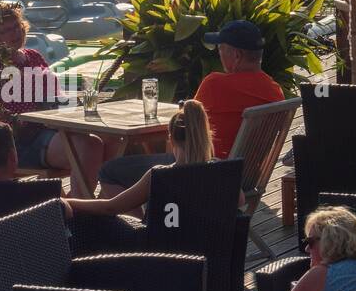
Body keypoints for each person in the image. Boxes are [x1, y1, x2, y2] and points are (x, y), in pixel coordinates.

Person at [98, 19, 284, 196]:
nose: (218, 54)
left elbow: (184, 125)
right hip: (245, 176)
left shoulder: (216, 83)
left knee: (110, 171)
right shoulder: (276, 92)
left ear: (236, 55)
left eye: (221, 48)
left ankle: (147, 226)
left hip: (201, 171)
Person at [0, 2, 111, 189]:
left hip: (50, 129)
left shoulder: (33, 56)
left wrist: (72, 103)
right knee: (89, 147)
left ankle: (80, 202)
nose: (15, 32)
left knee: (108, 142)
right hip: (18, 142)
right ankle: (81, 207)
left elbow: (57, 95)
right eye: (6, 30)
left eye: (16, 26)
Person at [65, 100, 231, 220]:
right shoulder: (220, 170)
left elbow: (111, 207)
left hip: (159, 253)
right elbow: (239, 200)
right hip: (205, 248)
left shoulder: (159, 175)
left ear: (171, 139)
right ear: (205, 136)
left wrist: (66, 201)